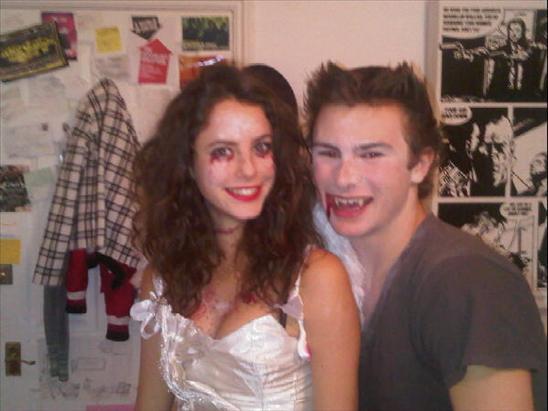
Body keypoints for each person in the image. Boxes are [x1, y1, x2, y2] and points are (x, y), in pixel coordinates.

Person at [305, 62, 547, 411]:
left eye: (371, 154)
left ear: (420, 164)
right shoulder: (330, 266)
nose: (344, 178)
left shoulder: (467, 281)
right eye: (328, 153)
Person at [130, 63, 360, 411]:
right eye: (223, 151)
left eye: (262, 148)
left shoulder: (316, 278)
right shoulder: (162, 280)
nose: (248, 169)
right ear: (188, 163)